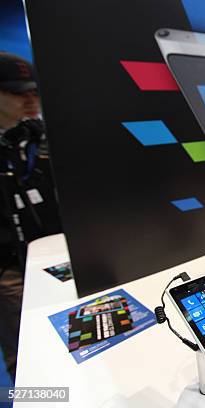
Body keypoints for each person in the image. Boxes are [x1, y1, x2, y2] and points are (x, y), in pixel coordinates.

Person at [0, 52, 39, 383]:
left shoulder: (34, 139)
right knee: (23, 357)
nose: (29, 100)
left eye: (34, 91)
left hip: (45, 259)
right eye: (17, 92)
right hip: (9, 269)